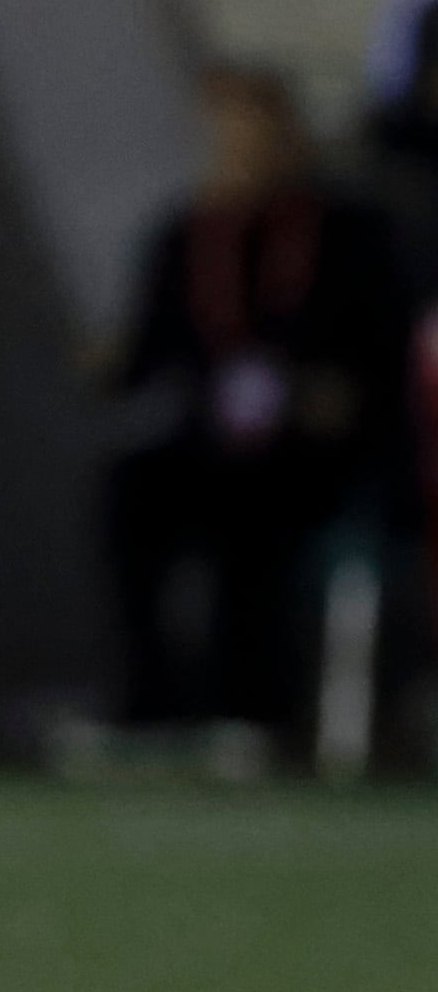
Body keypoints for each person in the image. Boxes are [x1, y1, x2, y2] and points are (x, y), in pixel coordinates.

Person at [102, 64, 414, 743]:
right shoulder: (185, 236)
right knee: (133, 492)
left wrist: (331, 393)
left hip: (312, 453)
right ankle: (150, 702)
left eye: (255, 136)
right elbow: (149, 358)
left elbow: (383, 353)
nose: (239, 153)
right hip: (208, 439)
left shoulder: (350, 232)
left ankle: (253, 709)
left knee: (258, 520)